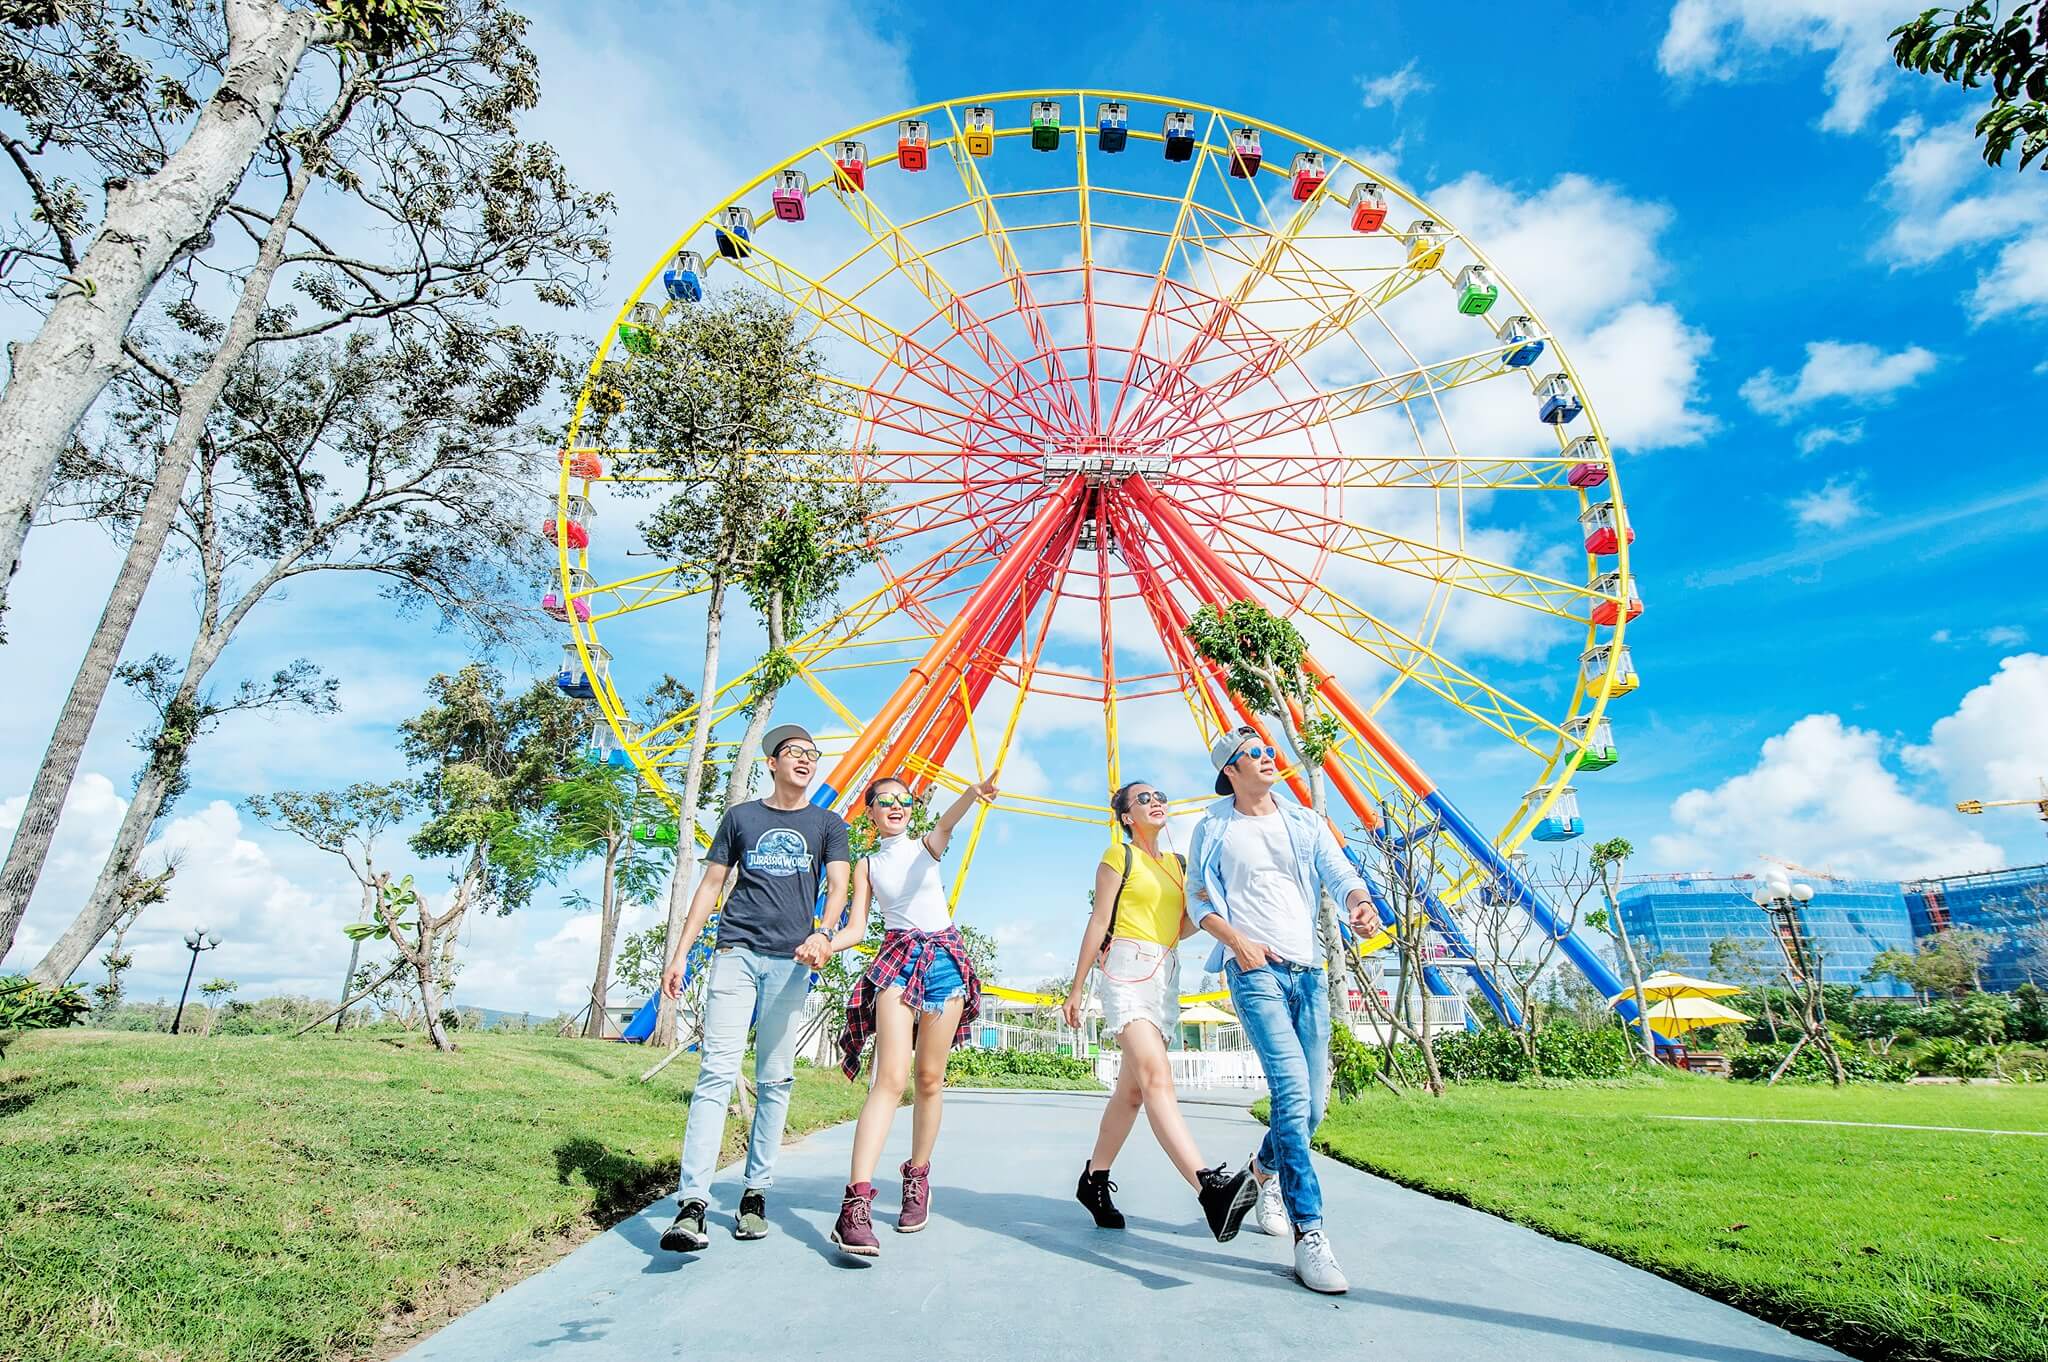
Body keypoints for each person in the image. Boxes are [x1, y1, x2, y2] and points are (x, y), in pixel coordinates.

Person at [1187, 726, 1376, 1295]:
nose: (1269, 757)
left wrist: (1359, 902)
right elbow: (1197, 898)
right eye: (1255, 753)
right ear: (1230, 771)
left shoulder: (1303, 821)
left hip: (1308, 971)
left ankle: (1259, 1175)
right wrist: (1237, 941)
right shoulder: (1213, 827)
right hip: (1255, 972)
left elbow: (1338, 872)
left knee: (1311, 1108)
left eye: (1270, 750)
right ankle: (1309, 1233)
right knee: (1292, 1095)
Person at [657, 723, 851, 1253]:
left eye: (812, 753)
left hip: (791, 960)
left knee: (775, 1078)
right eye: (795, 752)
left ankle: (755, 1193)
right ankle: (692, 1204)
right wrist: (681, 954)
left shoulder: (828, 824)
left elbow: (839, 886)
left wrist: (823, 933)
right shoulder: (740, 817)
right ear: (772, 762)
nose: (806, 759)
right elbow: (711, 886)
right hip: (735, 953)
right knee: (716, 1072)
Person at [1062, 780, 1259, 1242]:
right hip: (1125, 972)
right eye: (1144, 799)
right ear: (1127, 817)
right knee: (1156, 1079)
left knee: (1131, 1093)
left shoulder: (1178, 864)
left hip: (1166, 975)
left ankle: (1093, 1180)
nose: (1156, 803)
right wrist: (1076, 988)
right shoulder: (1118, 856)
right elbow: (1099, 921)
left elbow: (1182, 926)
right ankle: (1208, 1189)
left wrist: (1216, 907)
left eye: (1160, 797)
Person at [825, 771, 999, 1257]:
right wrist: (823, 943)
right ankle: (855, 1204)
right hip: (897, 961)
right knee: (889, 1079)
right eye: (885, 801)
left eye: (903, 800)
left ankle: (917, 1178)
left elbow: (946, 824)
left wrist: (971, 793)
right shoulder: (866, 865)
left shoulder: (926, 848)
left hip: (944, 962)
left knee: (929, 1079)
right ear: (871, 813)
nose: (896, 807)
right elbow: (857, 928)